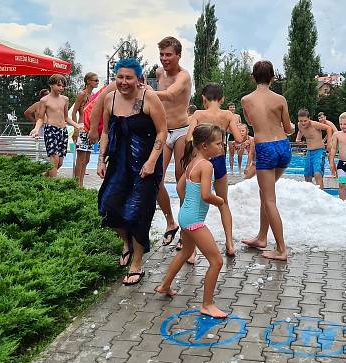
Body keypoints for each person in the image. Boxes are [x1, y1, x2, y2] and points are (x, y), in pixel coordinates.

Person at [97, 58, 167, 286]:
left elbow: (162, 132)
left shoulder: (149, 98)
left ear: (138, 79)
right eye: (119, 77)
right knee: (107, 204)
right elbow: (106, 132)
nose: (123, 82)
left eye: (128, 78)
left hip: (146, 165)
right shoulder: (110, 99)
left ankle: (136, 263)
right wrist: (100, 159)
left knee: (139, 212)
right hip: (119, 163)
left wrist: (152, 161)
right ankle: (125, 241)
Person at [155, 124, 228, 318]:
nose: (221, 147)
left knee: (186, 252)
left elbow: (180, 189)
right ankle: (207, 304)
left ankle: (164, 286)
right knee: (216, 261)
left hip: (185, 216)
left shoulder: (192, 162)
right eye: (218, 144)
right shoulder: (207, 165)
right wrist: (219, 201)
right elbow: (205, 195)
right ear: (205, 146)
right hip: (194, 221)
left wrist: (189, 204)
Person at [240, 60, 294, 261]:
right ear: (272, 78)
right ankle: (262, 237)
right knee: (266, 194)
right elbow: (288, 128)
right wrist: (292, 128)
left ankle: (281, 249)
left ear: (253, 78)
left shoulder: (246, 100)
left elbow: (250, 122)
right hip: (283, 147)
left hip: (264, 148)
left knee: (269, 199)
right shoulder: (280, 99)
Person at [184, 83, 243, 258]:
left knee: (193, 202)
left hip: (201, 161)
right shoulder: (227, 115)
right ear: (222, 99)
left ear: (203, 99)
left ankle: (192, 251)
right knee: (223, 202)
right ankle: (230, 243)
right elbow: (238, 139)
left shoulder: (198, 114)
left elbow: (189, 138)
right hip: (219, 160)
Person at [154, 37, 193, 246]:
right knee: (155, 177)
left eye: (168, 54)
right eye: (161, 54)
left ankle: (186, 230)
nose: (164, 59)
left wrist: (145, 93)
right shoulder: (159, 73)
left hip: (181, 131)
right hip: (162, 131)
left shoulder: (184, 76)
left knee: (181, 181)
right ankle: (170, 222)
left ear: (178, 55)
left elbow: (170, 95)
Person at [29, 74, 84, 177]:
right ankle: (53, 188)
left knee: (59, 163)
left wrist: (76, 125)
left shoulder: (65, 99)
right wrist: (36, 129)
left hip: (63, 131)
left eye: (63, 86)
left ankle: (44, 178)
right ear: (51, 85)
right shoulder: (44, 100)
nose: (61, 88)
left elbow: (66, 117)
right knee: (54, 158)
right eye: (59, 85)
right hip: (50, 130)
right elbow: (40, 118)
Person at [71, 72, 102, 188]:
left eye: (97, 80)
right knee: (81, 158)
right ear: (88, 81)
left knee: (87, 159)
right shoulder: (82, 94)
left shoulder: (94, 95)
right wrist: (75, 129)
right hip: (82, 127)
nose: (97, 82)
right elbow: (74, 112)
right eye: (95, 80)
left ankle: (81, 183)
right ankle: (76, 184)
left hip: (90, 128)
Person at [296, 108, 332, 190]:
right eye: (301, 121)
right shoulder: (300, 125)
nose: (303, 123)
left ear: (309, 118)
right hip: (309, 151)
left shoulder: (314, 124)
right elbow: (300, 131)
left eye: (305, 120)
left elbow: (328, 128)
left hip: (319, 151)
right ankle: (310, 195)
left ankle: (321, 196)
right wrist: (298, 139)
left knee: (317, 174)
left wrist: (329, 142)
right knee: (307, 176)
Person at [226, 103, 243, 173]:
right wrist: (233, 131)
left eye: (233, 107)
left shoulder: (238, 116)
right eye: (231, 107)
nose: (232, 108)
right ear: (228, 108)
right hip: (231, 135)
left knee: (240, 153)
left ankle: (239, 168)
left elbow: (241, 125)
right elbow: (226, 127)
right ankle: (231, 169)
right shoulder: (226, 116)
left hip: (238, 135)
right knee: (231, 153)